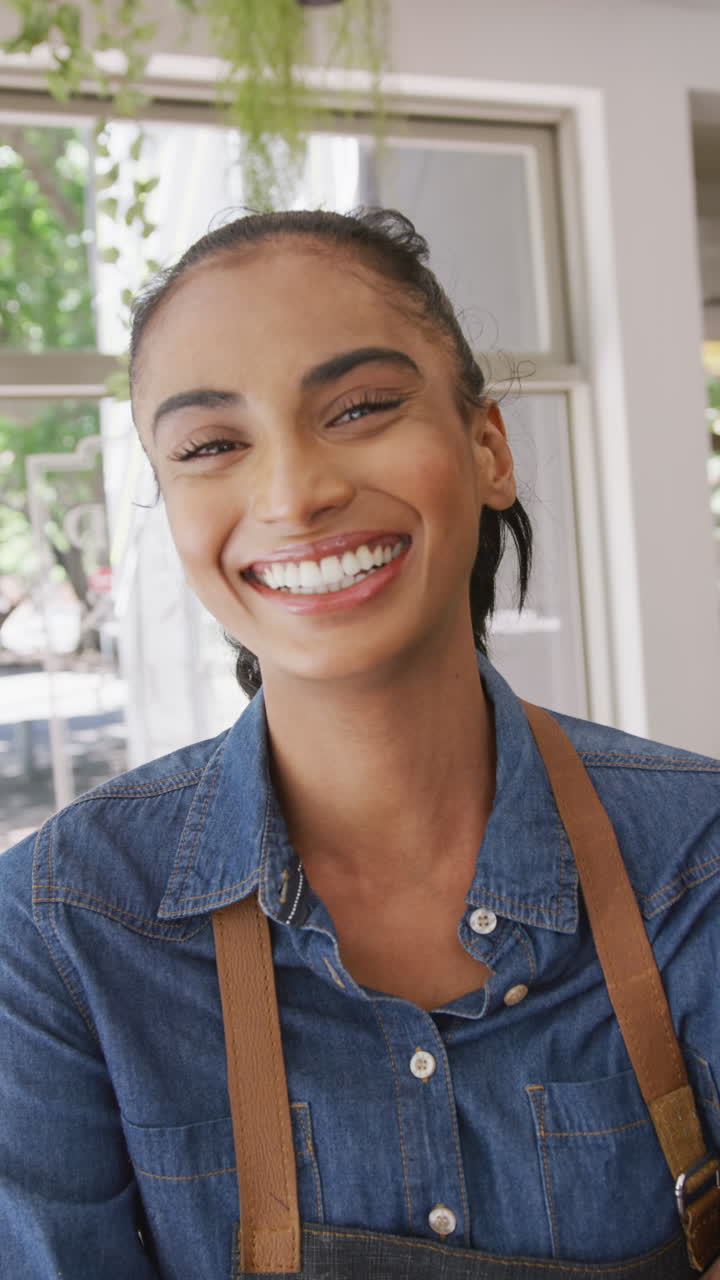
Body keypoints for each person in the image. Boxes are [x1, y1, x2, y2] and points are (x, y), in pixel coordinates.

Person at [0, 207, 718, 1280]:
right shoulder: (61, 932)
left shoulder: (698, 860)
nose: (294, 493)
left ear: (487, 446)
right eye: (211, 445)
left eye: (362, 407)